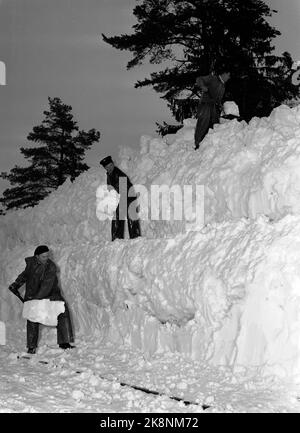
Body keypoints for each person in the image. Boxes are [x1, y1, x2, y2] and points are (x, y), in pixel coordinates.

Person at [8, 245, 75, 354]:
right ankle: (31, 347)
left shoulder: (51, 267)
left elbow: (46, 286)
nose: (46, 258)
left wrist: (35, 299)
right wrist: (16, 284)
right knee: (32, 318)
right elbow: (25, 275)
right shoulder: (31, 264)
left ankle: (64, 342)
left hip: (52, 294)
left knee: (63, 313)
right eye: (44, 256)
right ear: (37, 256)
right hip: (33, 294)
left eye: (47, 256)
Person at [100, 156, 141, 241]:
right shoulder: (109, 175)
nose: (109, 168)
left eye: (110, 165)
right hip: (122, 197)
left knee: (130, 216)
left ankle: (135, 238)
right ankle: (117, 238)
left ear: (113, 164)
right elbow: (110, 188)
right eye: (107, 167)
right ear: (105, 168)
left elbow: (124, 189)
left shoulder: (119, 174)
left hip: (128, 196)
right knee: (118, 216)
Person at [194, 67, 231, 150]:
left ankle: (211, 143)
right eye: (228, 75)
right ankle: (198, 143)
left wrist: (221, 107)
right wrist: (203, 86)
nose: (229, 77)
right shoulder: (212, 78)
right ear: (223, 74)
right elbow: (199, 79)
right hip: (205, 104)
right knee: (204, 121)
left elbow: (218, 99)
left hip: (214, 106)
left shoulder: (223, 87)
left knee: (215, 123)